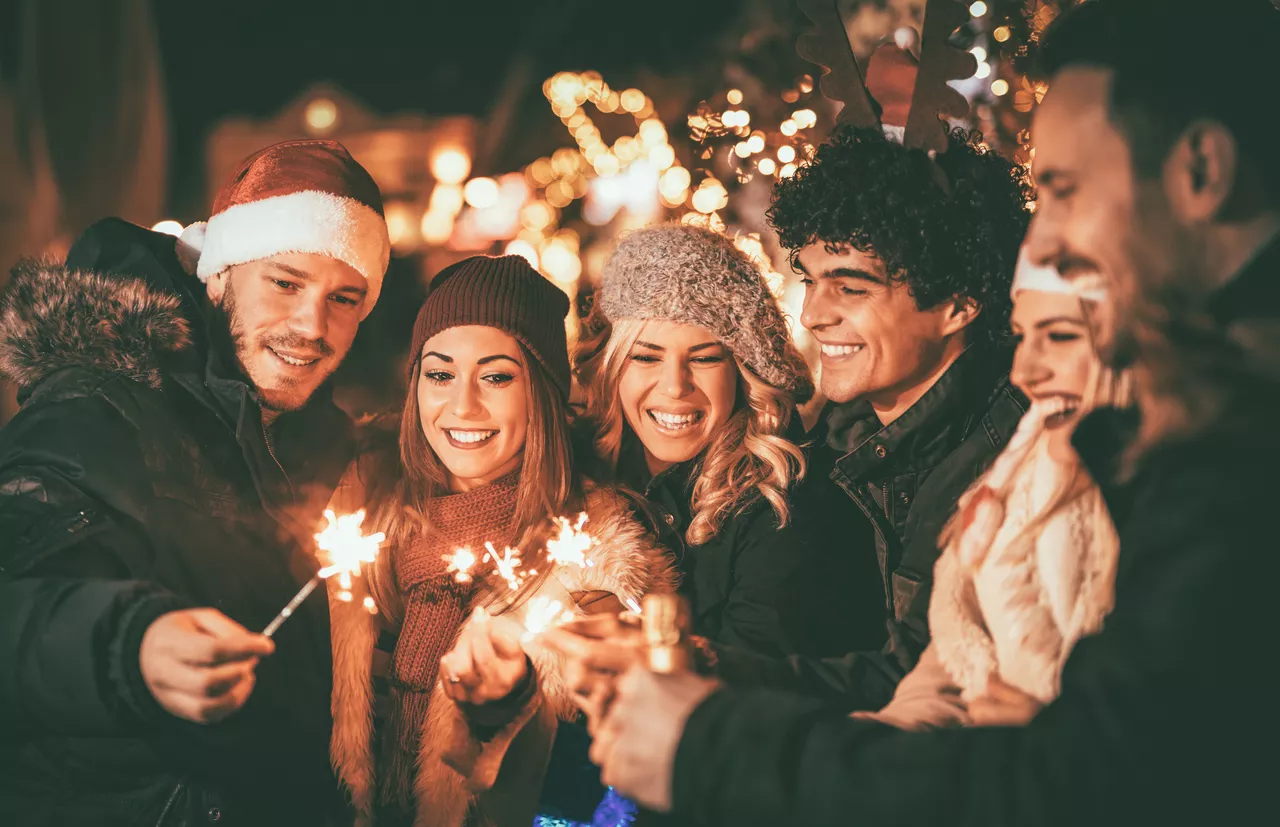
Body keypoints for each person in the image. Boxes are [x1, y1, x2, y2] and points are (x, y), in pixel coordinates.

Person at [578, 1, 1280, 824]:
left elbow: (1101, 765)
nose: (1045, 241)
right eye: (809, 279)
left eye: (1062, 189)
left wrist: (711, 740)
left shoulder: (1123, 435)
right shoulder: (844, 444)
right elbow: (932, 682)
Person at [0, 139, 390, 826]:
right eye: (285, 281)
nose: (311, 325)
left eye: (345, 298)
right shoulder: (99, 405)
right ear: (219, 274)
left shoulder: (330, 447)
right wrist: (131, 645)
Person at [325, 254, 674, 827]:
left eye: (495, 376)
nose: (462, 405)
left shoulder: (596, 569)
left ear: (540, 391)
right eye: (439, 374)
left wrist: (505, 711)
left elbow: (597, 798)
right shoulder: (358, 517)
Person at [574, 222, 884, 660]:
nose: (675, 386)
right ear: (613, 365)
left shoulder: (784, 507)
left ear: (742, 373)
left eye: (703, 359)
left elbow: (757, 680)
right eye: (646, 357)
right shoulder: (578, 473)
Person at [866, 248, 1127, 731]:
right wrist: (875, 746)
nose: (1025, 371)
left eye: (1062, 336)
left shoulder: (1195, 506)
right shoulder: (1006, 490)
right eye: (1023, 337)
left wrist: (1054, 736)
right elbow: (943, 676)